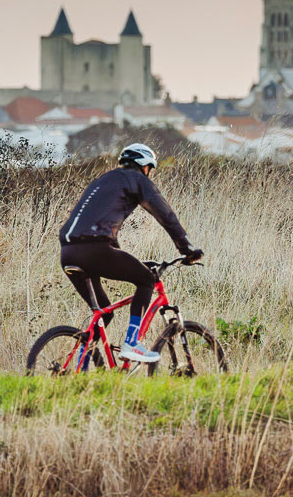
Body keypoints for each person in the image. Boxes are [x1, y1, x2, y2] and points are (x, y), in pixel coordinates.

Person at [58, 143, 202, 365]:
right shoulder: (137, 180)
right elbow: (165, 215)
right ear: (144, 166)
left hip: (68, 252)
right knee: (146, 279)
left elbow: (98, 224)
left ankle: (78, 369)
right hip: (95, 250)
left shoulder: (102, 181)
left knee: (104, 314)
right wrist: (187, 249)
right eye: (149, 169)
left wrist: (121, 257)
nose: (149, 173)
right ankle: (132, 342)